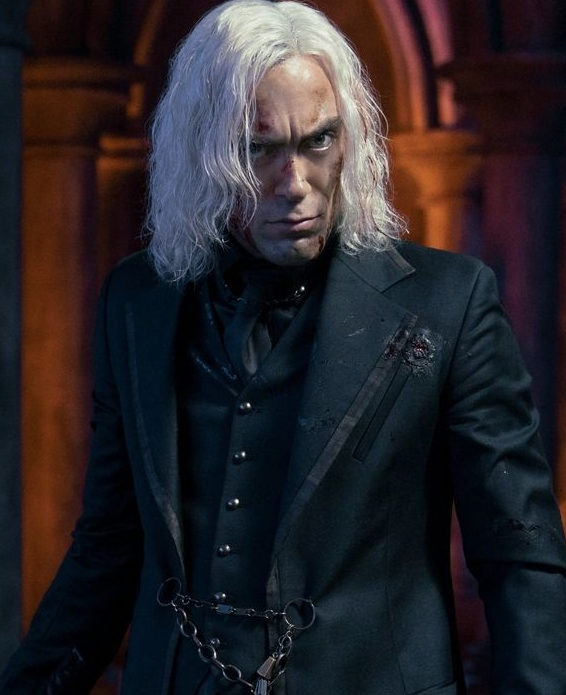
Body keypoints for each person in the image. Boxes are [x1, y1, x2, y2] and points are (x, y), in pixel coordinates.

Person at [2, 1, 566, 693]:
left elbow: (519, 552)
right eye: (259, 149)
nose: (296, 184)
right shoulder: (136, 301)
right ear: (202, 153)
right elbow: (107, 547)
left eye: (318, 141)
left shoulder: (449, 301)